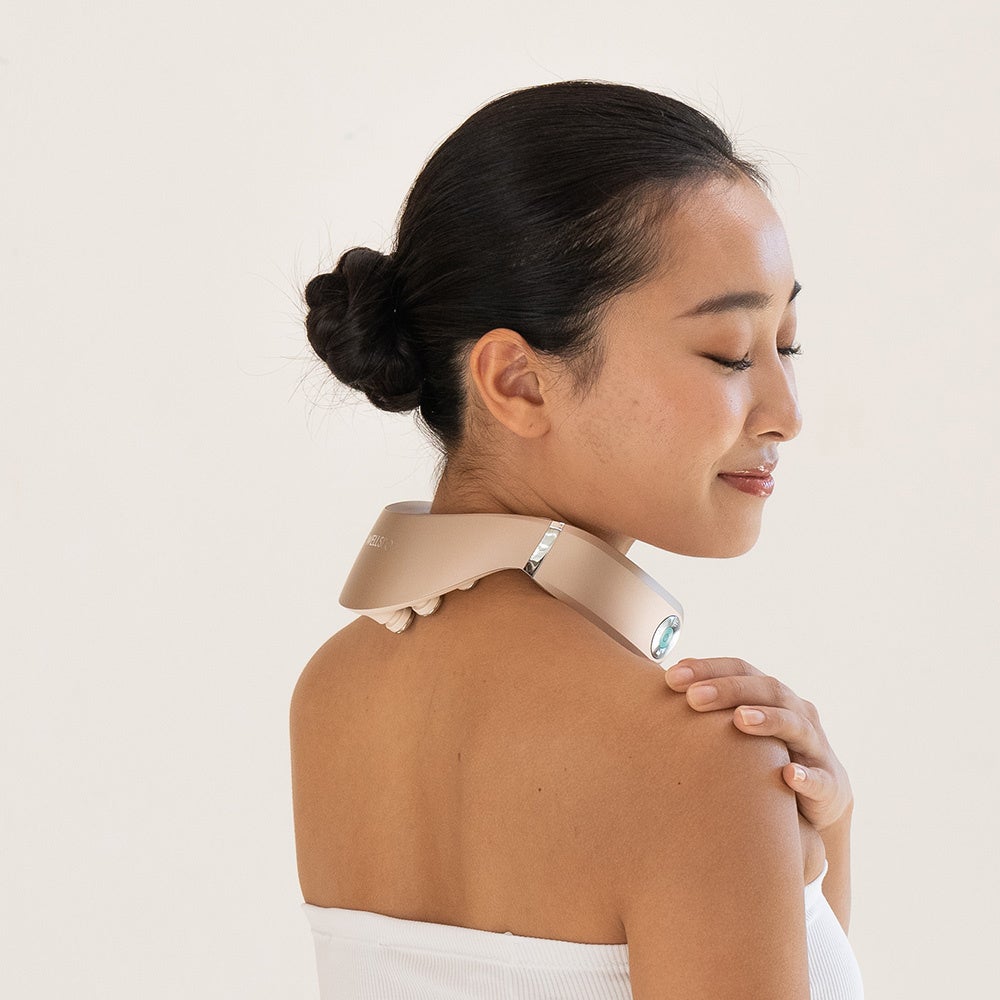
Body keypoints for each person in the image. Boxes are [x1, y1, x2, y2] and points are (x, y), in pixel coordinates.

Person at [290, 79, 863, 999]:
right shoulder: (702, 764)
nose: (786, 413)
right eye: (728, 352)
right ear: (518, 381)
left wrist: (819, 844)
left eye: (785, 344)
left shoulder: (333, 692)